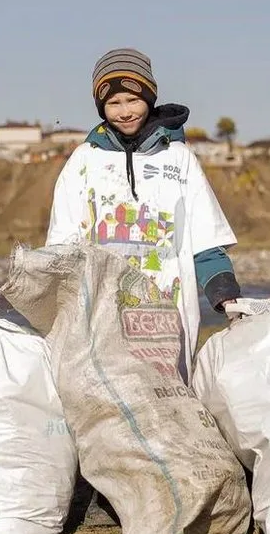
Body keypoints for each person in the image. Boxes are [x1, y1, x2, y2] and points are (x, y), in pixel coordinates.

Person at [46, 47, 242, 383]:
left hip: (169, 318)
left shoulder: (180, 160)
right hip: (102, 320)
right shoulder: (82, 163)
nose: (124, 112)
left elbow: (206, 244)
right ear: (101, 107)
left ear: (149, 98)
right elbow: (62, 253)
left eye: (133, 100)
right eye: (113, 103)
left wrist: (228, 301)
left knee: (170, 406)